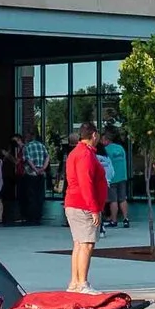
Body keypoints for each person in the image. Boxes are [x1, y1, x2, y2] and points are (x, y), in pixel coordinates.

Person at [61, 123, 107, 292]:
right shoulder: (85, 155)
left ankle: (75, 282)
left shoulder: (77, 152)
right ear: (94, 135)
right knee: (86, 244)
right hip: (82, 205)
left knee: (79, 244)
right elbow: (85, 183)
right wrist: (94, 208)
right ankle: (82, 284)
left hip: (75, 203)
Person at [104, 130, 130, 229]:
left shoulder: (106, 150)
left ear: (107, 140)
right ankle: (125, 219)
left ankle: (114, 220)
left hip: (112, 178)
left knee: (113, 200)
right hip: (122, 176)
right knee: (123, 199)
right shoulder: (121, 149)